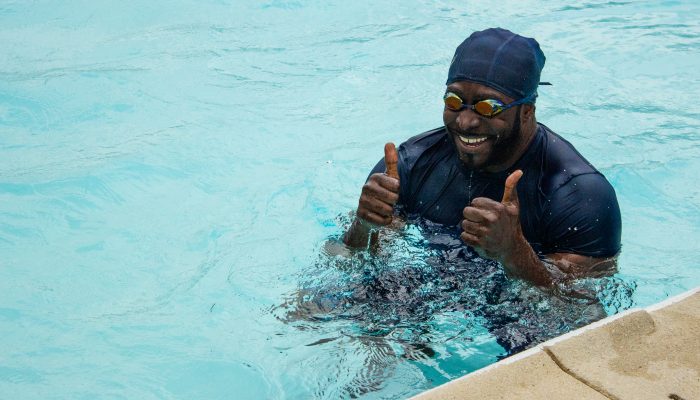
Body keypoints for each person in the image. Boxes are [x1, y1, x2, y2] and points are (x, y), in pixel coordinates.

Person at [343, 28, 622, 287]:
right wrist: (363, 226)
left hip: (512, 303)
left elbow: (579, 309)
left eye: (488, 107)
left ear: (527, 111)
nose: (465, 122)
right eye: (453, 101)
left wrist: (514, 252)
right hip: (433, 278)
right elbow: (353, 262)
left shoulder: (579, 193)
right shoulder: (409, 164)